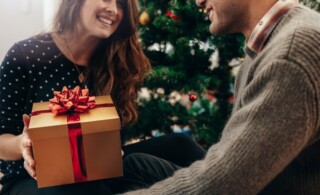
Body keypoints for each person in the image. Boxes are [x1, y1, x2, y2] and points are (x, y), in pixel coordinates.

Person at [0, 0, 205, 194]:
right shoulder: (25, 55)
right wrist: (24, 142)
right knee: (85, 190)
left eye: (121, 4)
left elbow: (115, 143)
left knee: (181, 146)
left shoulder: (119, 61)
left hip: (98, 170)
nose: (114, 10)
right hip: (32, 179)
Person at [124, 0, 320, 194]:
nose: (199, 2)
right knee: (136, 165)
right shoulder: (266, 44)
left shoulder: (292, 53)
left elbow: (221, 186)